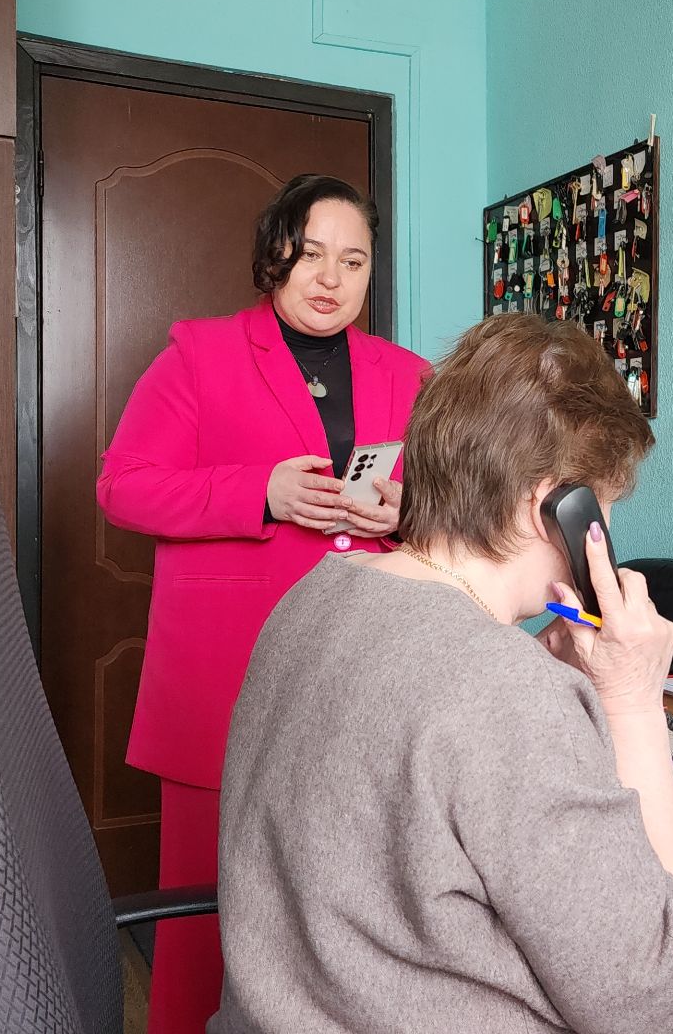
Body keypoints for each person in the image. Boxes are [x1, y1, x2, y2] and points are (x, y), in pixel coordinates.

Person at [212, 314, 673, 1034]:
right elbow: (651, 999)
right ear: (558, 509)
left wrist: (530, 672)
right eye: (602, 505)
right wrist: (633, 703)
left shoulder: (316, 592)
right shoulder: (502, 694)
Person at [97, 174, 430, 1034]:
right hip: (223, 681)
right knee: (205, 918)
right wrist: (261, 492)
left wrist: (407, 511)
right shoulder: (199, 355)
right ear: (274, 254)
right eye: (311, 253)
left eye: (352, 259)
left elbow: (443, 505)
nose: (330, 277)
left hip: (364, 675)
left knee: (342, 906)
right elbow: (123, 488)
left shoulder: (408, 374)